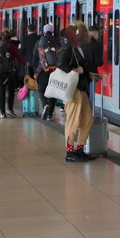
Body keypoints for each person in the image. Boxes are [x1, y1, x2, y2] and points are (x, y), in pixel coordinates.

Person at [60, 23, 96, 162]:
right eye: (85, 32)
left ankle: (80, 149)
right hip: (73, 89)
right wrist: (75, 70)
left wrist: (88, 73)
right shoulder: (68, 48)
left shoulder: (78, 48)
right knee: (73, 122)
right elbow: (61, 65)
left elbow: (82, 66)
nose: (88, 34)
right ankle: (69, 152)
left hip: (81, 88)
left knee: (87, 120)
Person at [37, 22, 66, 120]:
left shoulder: (40, 42)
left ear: (44, 31)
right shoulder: (57, 41)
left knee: (41, 89)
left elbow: (35, 57)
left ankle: (45, 104)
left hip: (43, 70)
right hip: (55, 70)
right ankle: (50, 114)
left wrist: (36, 71)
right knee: (53, 90)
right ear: (52, 31)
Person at [0, 32, 22, 118]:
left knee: (1, 91)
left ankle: (2, 113)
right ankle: (9, 109)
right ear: (10, 38)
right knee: (11, 89)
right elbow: (19, 59)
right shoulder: (11, 46)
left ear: (2, 38)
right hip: (8, 71)